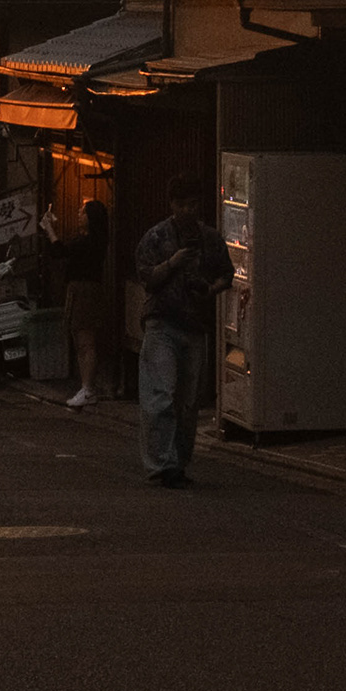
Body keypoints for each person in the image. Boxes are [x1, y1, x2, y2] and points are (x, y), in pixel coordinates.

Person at [129, 173, 232, 487]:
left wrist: (210, 290)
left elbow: (226, 275)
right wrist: (173, 263)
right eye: (182, 204)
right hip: (161, 322)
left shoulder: (210, 238)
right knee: (161, 394)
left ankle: (178, 461)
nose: (188, 210)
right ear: (172, 205)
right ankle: (163, 463)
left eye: (193, 204)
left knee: (188, 402)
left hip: (195, 326)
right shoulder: (157, 237)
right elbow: (147, 277)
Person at [47, 195, 112, 407]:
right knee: (81, 341)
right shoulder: (88, 239)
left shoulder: (91, 241)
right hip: (80, 289)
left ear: (92, 217)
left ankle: (88, 388)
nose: (79, 214)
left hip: (85, 291)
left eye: (83, 212)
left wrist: (49, 229)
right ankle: (86, 387)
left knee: (86, 341)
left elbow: (60, 252)